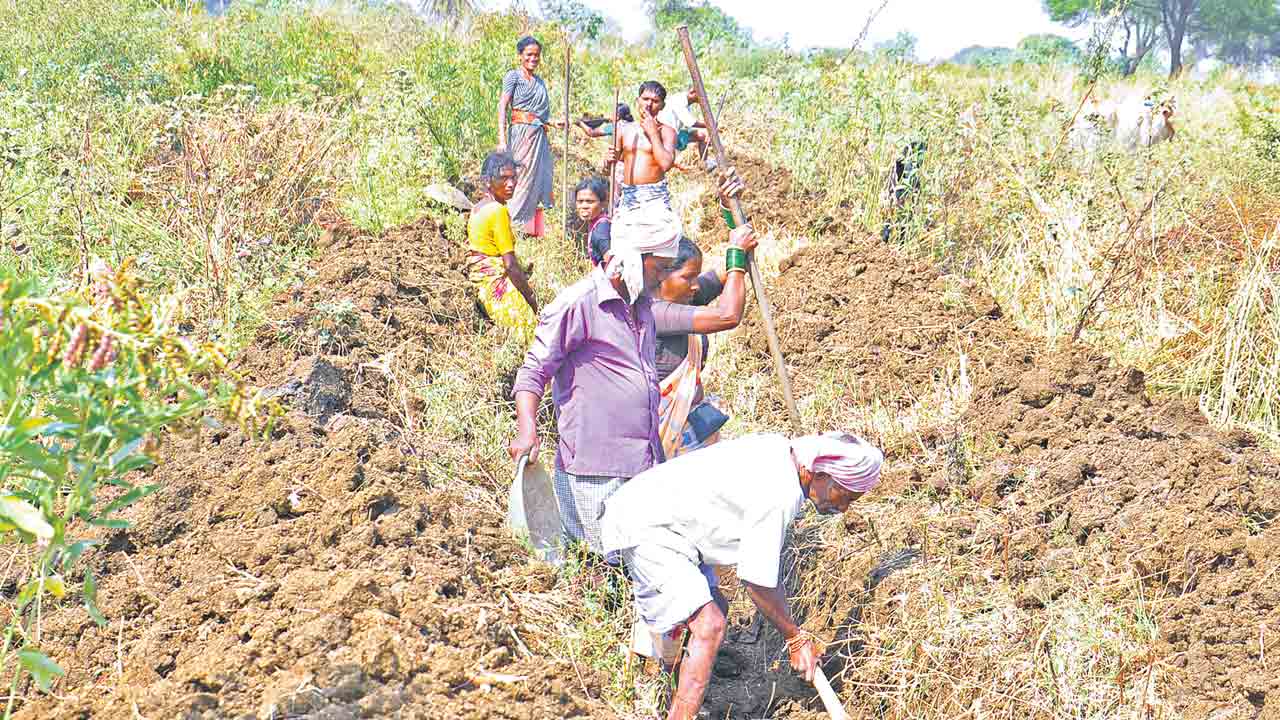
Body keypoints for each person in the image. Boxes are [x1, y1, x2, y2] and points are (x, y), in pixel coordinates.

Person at [508, 172, 754, 556]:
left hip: (643, 463)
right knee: (599, 564)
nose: (661, 280)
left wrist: (729, 212)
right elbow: (534, 370)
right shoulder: (579, 303)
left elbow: (716, 283)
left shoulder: (641, 305)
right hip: (594, 470)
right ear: (635, 258)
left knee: (642, 565)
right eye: (659, 270)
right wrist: (527, 428)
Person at [599, 432, 884, 720]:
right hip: (649, 525)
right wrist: (795, 639)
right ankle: (677, 711)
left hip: (671, 526)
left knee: (714, 609)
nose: (844, 507)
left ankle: (672, 689)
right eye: (845, 495)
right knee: (709, 625)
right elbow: (757, 581)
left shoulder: (784, 454)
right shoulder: (779, 492)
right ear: (820, 473)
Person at [654, 237, 736, 458]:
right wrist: (736, 252)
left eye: (696, 276)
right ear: (660, 274)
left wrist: (738, 248)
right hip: (662, 435)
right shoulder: (654, 313)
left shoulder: (682, 300)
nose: (695, 285)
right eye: (688, 277)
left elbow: (717, 278)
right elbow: (728, 315)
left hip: (688, 427)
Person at [497, 35, 563, 236]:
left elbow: (540, 115)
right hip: (521, 134)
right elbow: (503, 106)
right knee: (522, 177)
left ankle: (530, 230)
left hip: (539, 136)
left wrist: (553, 122)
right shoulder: (513, 77)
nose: (533, 58)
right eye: (529, 55)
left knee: (538, 179)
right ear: (520, 56)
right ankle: (511, 225)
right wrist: (502, 138)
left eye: (537, 55)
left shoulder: (540, 82)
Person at [466, 151, 538, 332]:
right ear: (487, 181)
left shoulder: (478, 207)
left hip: (481, 283)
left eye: (514, 178)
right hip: (493, 284)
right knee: (530, 330)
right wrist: (531, 298)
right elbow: (510, 265)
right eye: (504, 178)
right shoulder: (498, 211)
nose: (511, 184)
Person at [607, 81, 680, 250]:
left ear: (662, 105)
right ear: (637, 100)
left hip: (655, 198)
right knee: (624, 248)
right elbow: (609, 166)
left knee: (662, 247)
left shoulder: (667, 131)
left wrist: (653, 132)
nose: (649, 104)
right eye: (645, 98)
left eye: (655, 101)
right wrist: (607, 161)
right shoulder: (624, 129)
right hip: (629, 198)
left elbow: (665, 164)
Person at [658, 87, 716, 172]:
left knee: (701, 136)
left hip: (675, 133)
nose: (702, 99)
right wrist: (709, 125)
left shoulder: (686, 103)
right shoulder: (679, 101)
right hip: (665, 134)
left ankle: (705, 163)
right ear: (692, 92)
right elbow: (690, 122)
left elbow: (687, 125)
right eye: (700, 96)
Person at [570, 176, 609, 259]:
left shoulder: (601, 229)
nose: (584, 206)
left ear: (603, 203)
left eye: (590, 201)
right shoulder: (596, 223)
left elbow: (611, 264)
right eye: (580, 201)